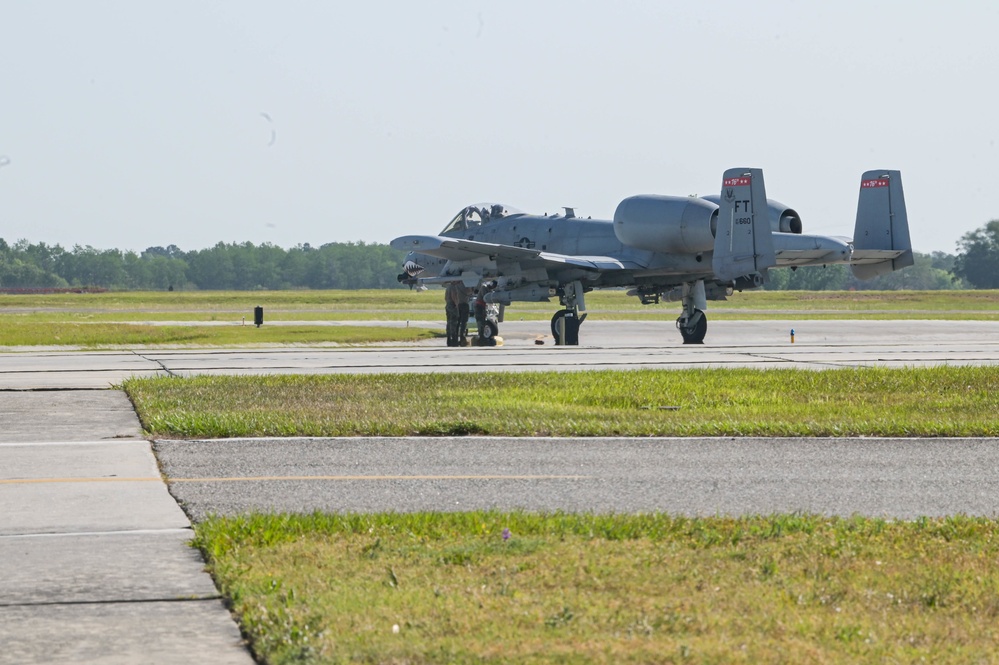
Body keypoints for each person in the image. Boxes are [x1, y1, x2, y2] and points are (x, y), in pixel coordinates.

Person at [445, 281, 469, 347]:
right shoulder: (453, 287)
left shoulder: (448, 287)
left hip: (448, 305)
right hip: (453, 306)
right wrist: (456, 304)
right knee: (454, 323)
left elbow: (446, 298)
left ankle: (449, 340)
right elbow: (454, 296)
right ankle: (454, 340)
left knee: (449, 323)